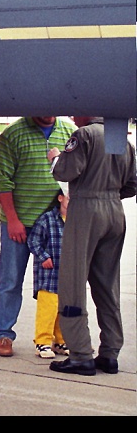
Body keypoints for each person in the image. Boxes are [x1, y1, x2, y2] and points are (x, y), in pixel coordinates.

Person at [47, 117, 137, 376]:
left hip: (86, 209)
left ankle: (81, 354)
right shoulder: (123, 140)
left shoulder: (83, 135)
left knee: (72, 282)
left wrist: (55, 158)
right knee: (108, 284)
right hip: (115, 211)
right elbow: (131, 185)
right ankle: (110, 352)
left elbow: (65, 171)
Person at [0, 116, 75, 357]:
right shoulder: (13, 134)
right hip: (19, 223)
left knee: (57, 286)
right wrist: (13, 220)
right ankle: (4, 334)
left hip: (53, 227)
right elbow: (1, 179)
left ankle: (57, 337)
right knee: (10, 280)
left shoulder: (70, 131)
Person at [26, 186, 70, 359]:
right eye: (69, 198)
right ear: (60, 198)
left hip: (66, 276)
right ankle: (42, 342)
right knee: (48, 310)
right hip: (49, 276)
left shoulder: (75, 221)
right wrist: (43, 256)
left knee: (63, 310)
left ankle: (60, 341)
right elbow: (33, 240)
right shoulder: (47, 220)